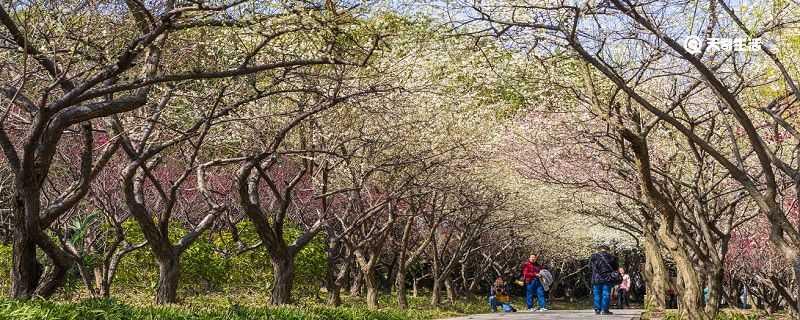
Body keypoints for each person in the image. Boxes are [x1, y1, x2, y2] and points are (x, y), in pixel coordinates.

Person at [591, 245, 619, 315]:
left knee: (597, 294)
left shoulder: (593, 257)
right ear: (608, 250)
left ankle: (597, 309)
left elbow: (589, 267)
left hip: (596, 278)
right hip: (607, 278)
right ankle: (604, 310)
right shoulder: (612, 257)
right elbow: (615, 268)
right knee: (606, 294)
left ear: (599, 250)